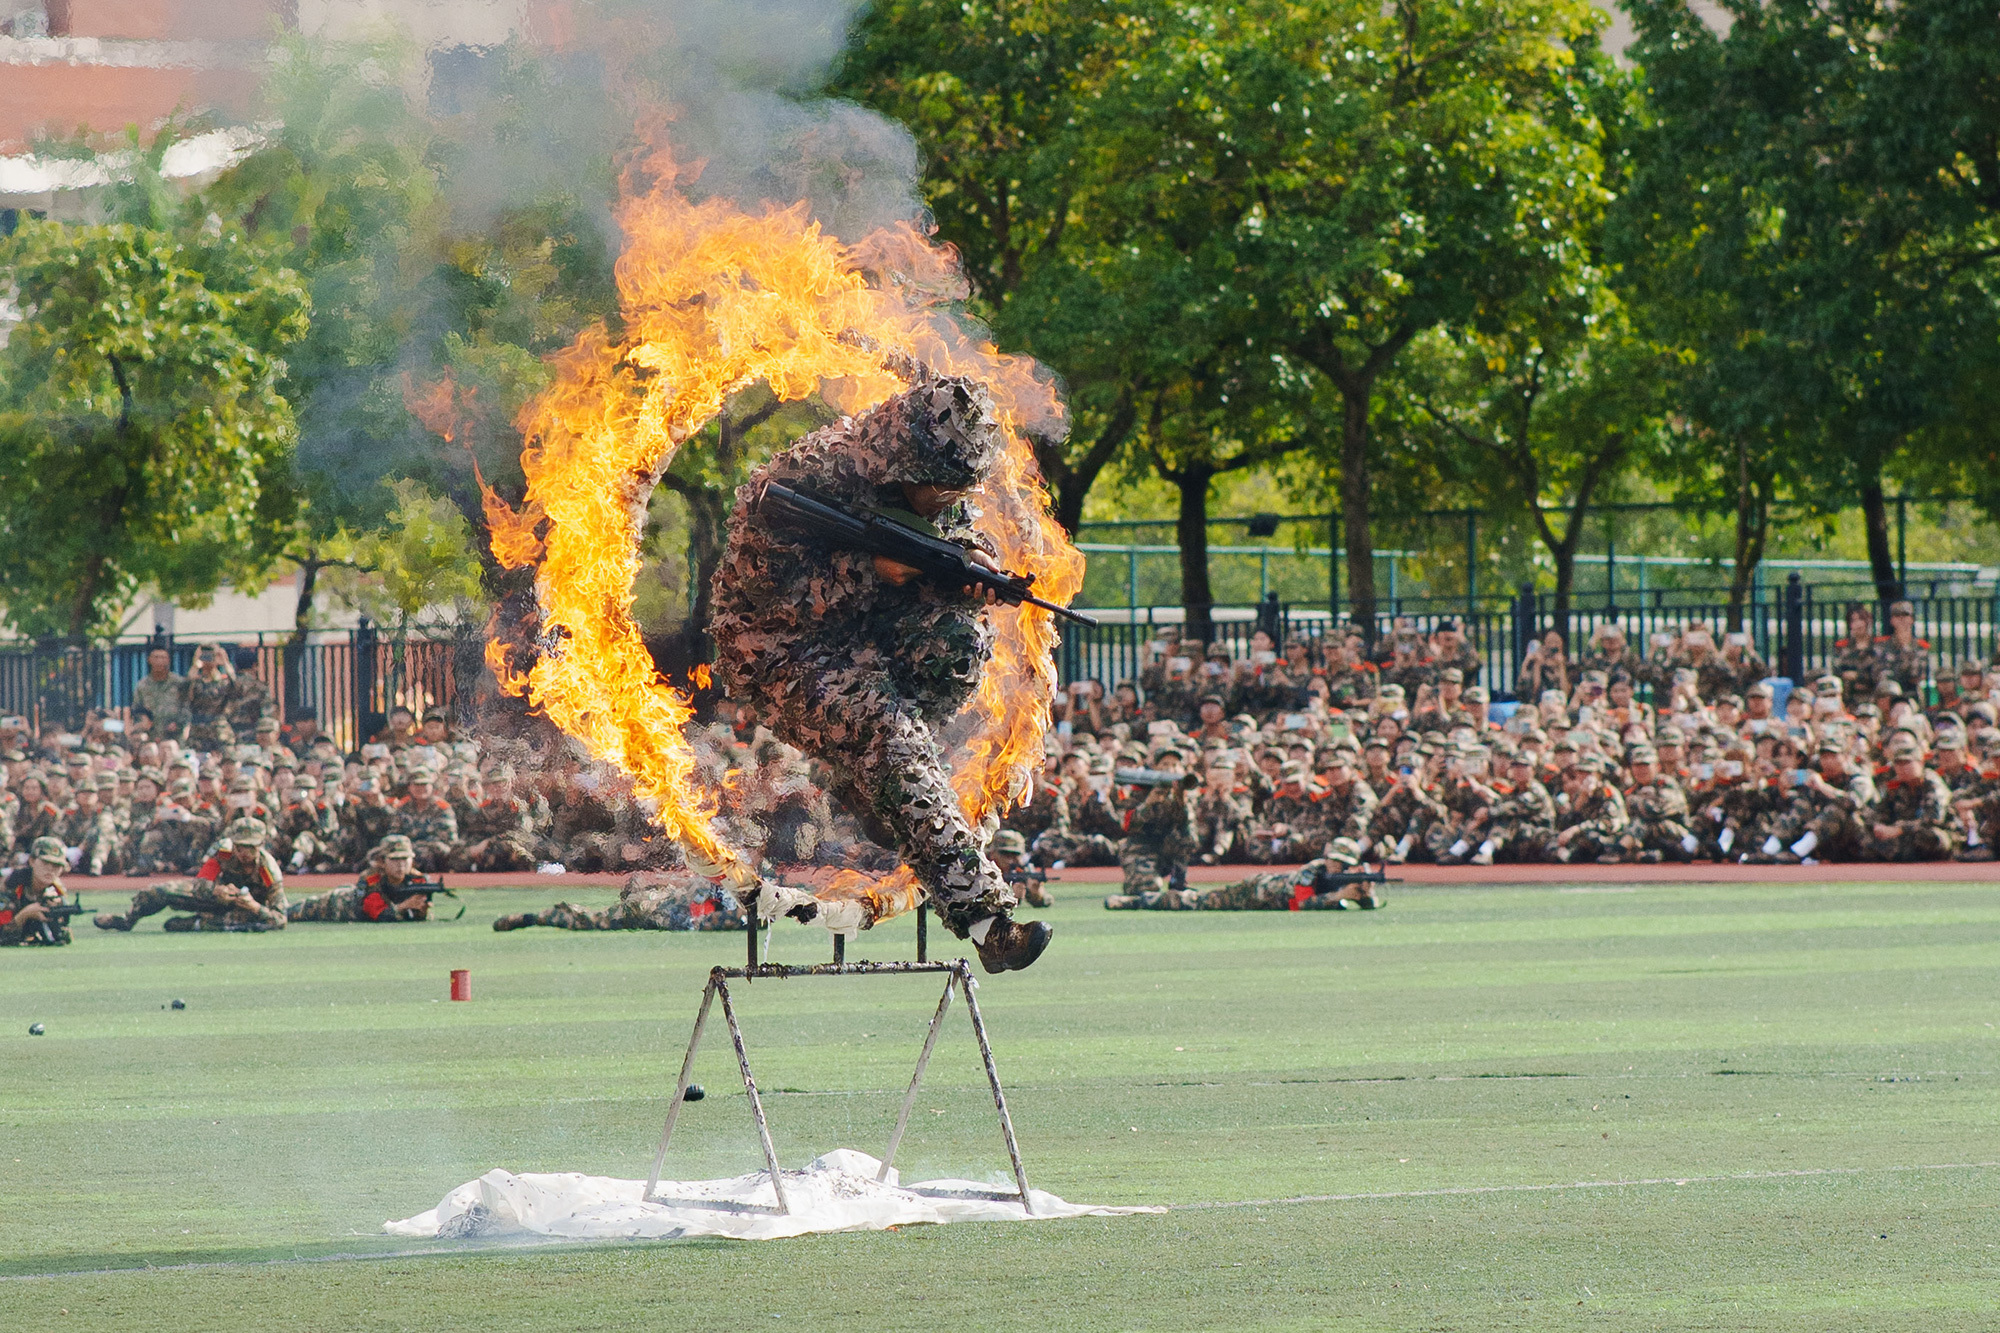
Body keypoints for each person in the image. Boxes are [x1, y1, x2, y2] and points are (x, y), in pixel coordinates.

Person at [709, 368, 1049, 972]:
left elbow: (948, 545)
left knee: (959, 644)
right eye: (941, 489)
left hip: (862, 633)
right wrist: (870, 574)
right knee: (893, 737)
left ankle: (875, 780)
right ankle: (988, 923)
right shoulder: (805, 478)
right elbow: (765, 594)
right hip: (777, 648)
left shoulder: (941, 480)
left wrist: (968, 576)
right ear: (908, 463)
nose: (951, 500)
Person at [95, 816, 287, 932]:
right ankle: (127, 920)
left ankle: (194, 923)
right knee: (158, 891)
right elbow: (200, 883)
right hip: (217, 898)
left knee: (256, 922)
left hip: (246, 910)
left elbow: (280, 918)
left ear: (260, 845)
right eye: (240, 847)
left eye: (251, 847)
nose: (245, 853)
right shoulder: (222, 852)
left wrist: (254, 907)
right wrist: (216, 891)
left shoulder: (268, 870)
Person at [1105, 837, 1380, 911]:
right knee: (1194, 902)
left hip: (1264, 898)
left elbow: (1370, 905)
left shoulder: (1339, 878)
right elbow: (1300, 904)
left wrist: (1364, 896)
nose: (1337, 868)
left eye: (1344, 864)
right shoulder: (1312, 873)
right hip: (1253, 893)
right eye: (1335, 861)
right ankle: (1136, 900)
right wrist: (1340, 896)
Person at [493, 869, 748, 933]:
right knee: (594, 918)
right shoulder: (726, 889)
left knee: (592, 918)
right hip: (662, 906)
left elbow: (705, 919)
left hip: (665, 910)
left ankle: (532, 918)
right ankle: (534, 917)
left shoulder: (735, 909)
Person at [287, 835, 448, 922]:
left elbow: (415, 917)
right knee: (294, 912)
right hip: (339, 905)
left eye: (405, 859)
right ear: (382, 861)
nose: (401, 865)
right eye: (394, 860)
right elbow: (378, 914)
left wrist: (421, 910)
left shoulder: (418, 881)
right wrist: (404, 906)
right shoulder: (372, 878)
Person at [1, 838, 73, 945]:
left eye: (56, 865)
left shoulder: (56, 891)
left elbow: (62, 934)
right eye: (45, 863)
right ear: (32, 861)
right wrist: (24, 915)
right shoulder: (11, 886)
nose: (50, 869)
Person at [131, 648, 190, 742]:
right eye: (156, 657)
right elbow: (137, 708)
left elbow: (187, 707)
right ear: (149, 660)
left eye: (163, 658)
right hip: (151, 736)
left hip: (174, 736)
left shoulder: (179, 683)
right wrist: (143, 719)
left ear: (169, 660)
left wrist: (178, 723)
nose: (159, 661)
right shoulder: (142, 686)